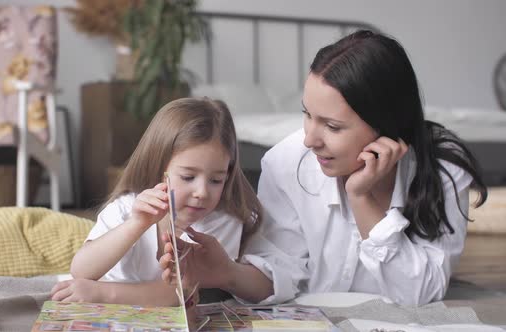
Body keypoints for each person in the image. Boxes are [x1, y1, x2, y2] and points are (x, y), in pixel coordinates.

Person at [160, 30, 487, 306]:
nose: (310, 140)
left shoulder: (442, 170)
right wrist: (227, 273)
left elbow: (423, 294)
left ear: (386, 125)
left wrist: (362, 200)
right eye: (307, 114)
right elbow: (280, 269)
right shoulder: (286, 162)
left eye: (332, 126)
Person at [51, 97, 262, 306]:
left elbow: (181, 293)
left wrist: (103, 294)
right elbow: (81, 270)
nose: (202, 192)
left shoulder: (223, 221)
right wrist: (136, 224)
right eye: (188, 177)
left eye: (216, 180)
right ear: (160, 169)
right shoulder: (126, 208)